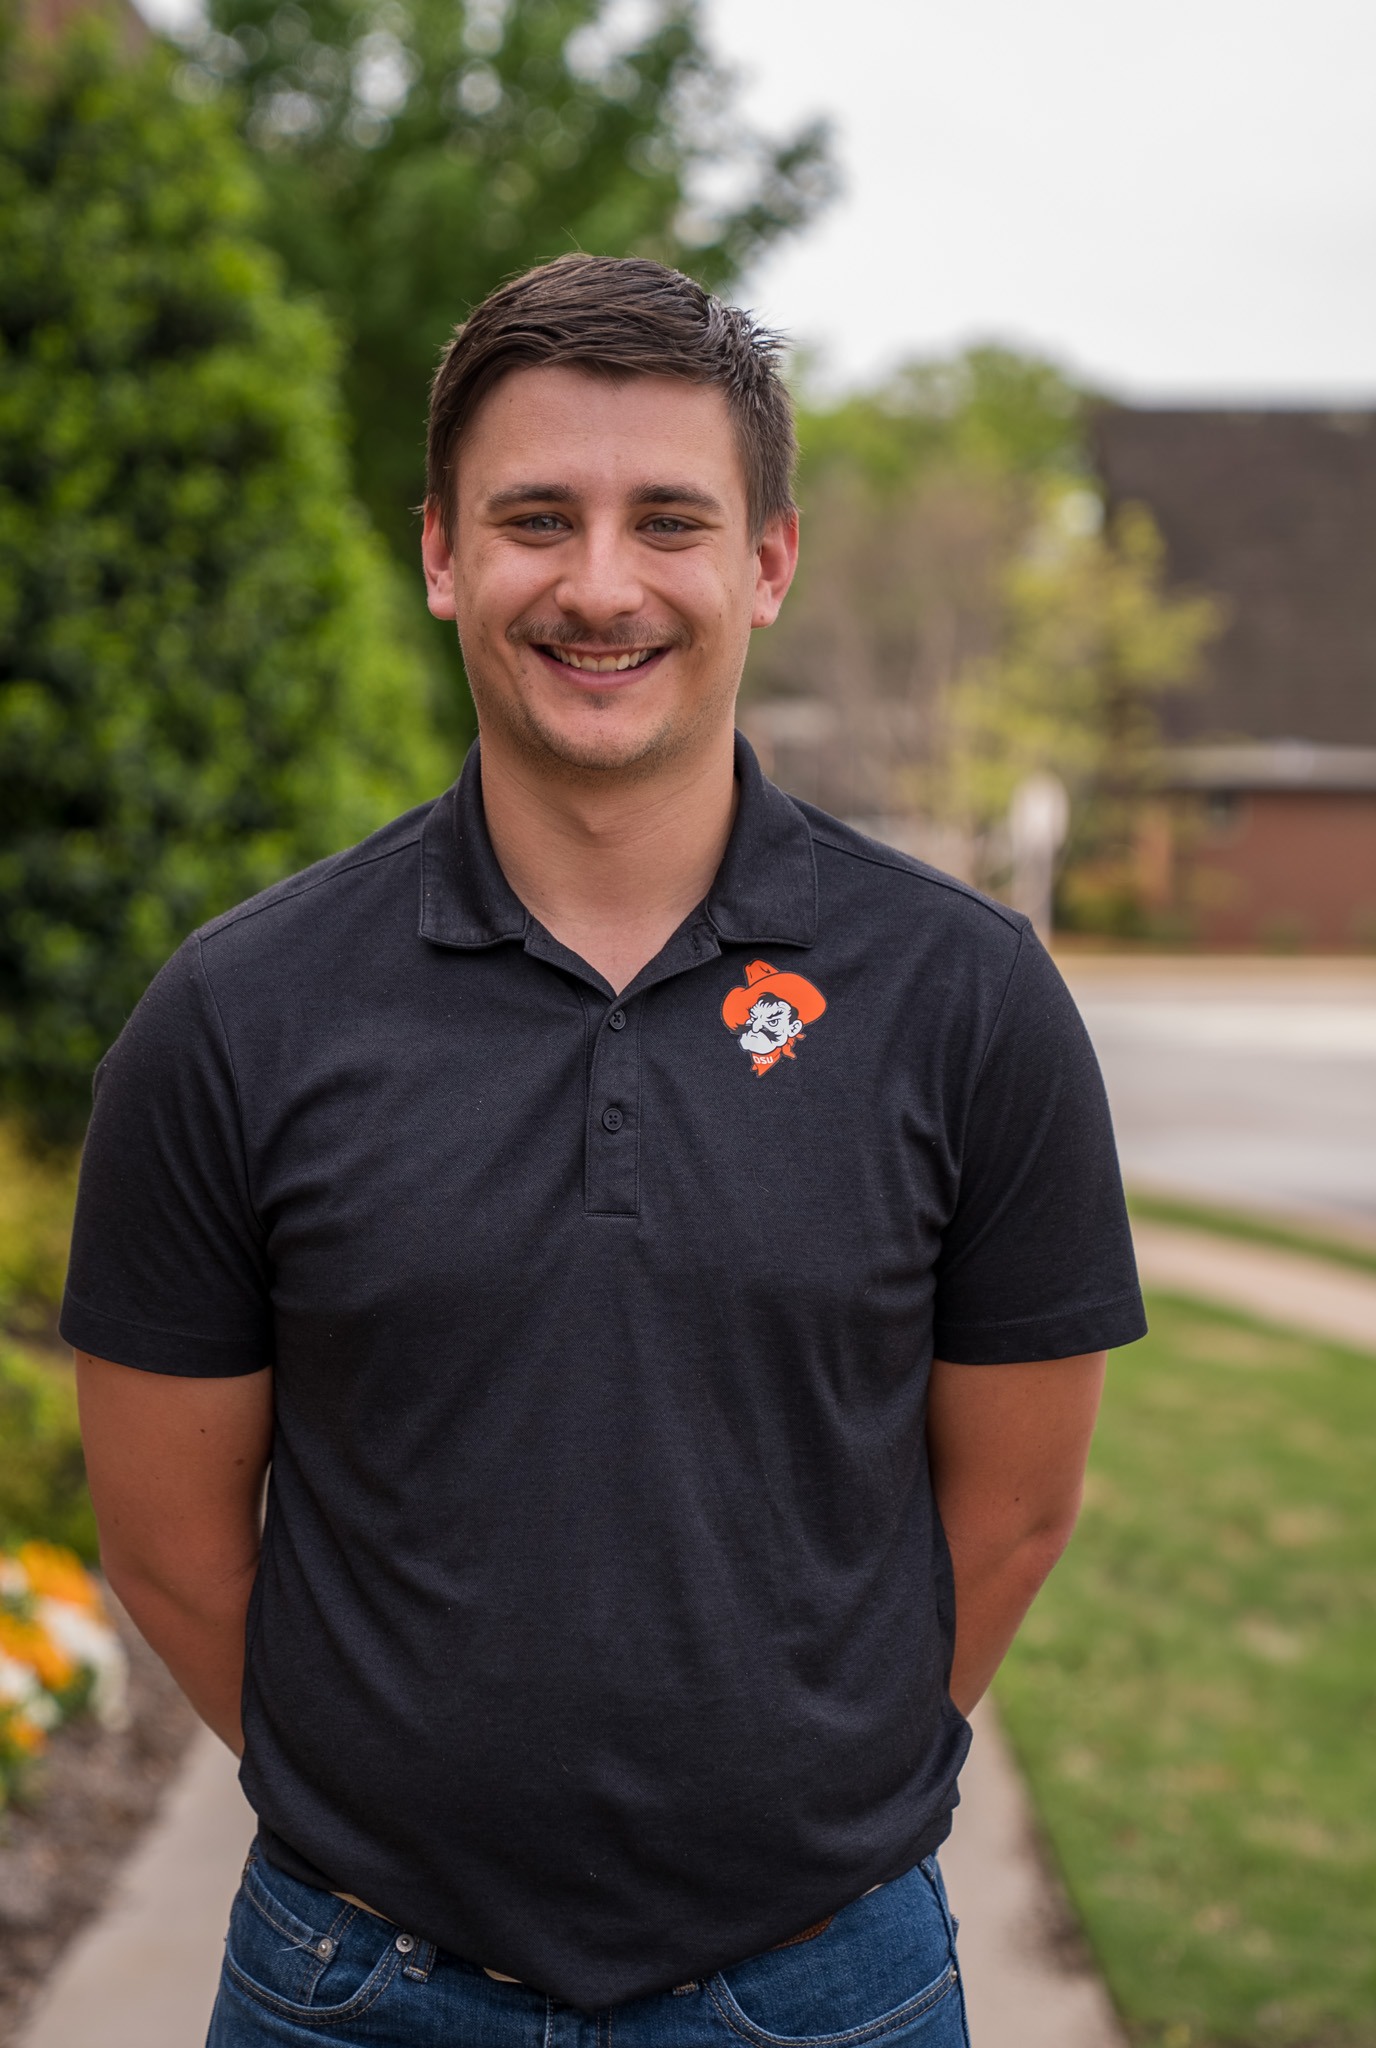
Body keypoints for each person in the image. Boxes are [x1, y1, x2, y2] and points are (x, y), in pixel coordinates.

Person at [65, 255, 1145, 2048]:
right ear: (439, 555)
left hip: (829, 1988)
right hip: (355, 1990)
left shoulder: (968, 1000)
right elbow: (170, 1542)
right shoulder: (238, 1015)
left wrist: (803, 1813)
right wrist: (394, 1818)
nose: (599, 585)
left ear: (767, 564)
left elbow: (1016, 1509)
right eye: (536, 519)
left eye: (669, 521)